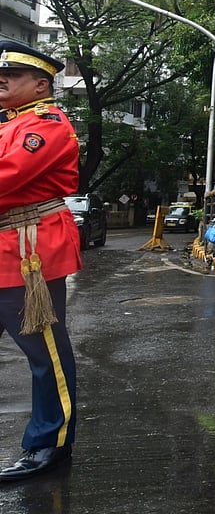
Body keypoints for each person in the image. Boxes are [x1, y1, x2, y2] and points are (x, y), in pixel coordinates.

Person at [0, 42, 80, 481]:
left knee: (43, 353)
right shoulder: (7, 125)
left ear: (41, 84)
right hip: (6, 245)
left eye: (12, 73)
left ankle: (50, 442)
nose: (2, 78)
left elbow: (5, 177)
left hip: (27, 250)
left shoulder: (47, 125)